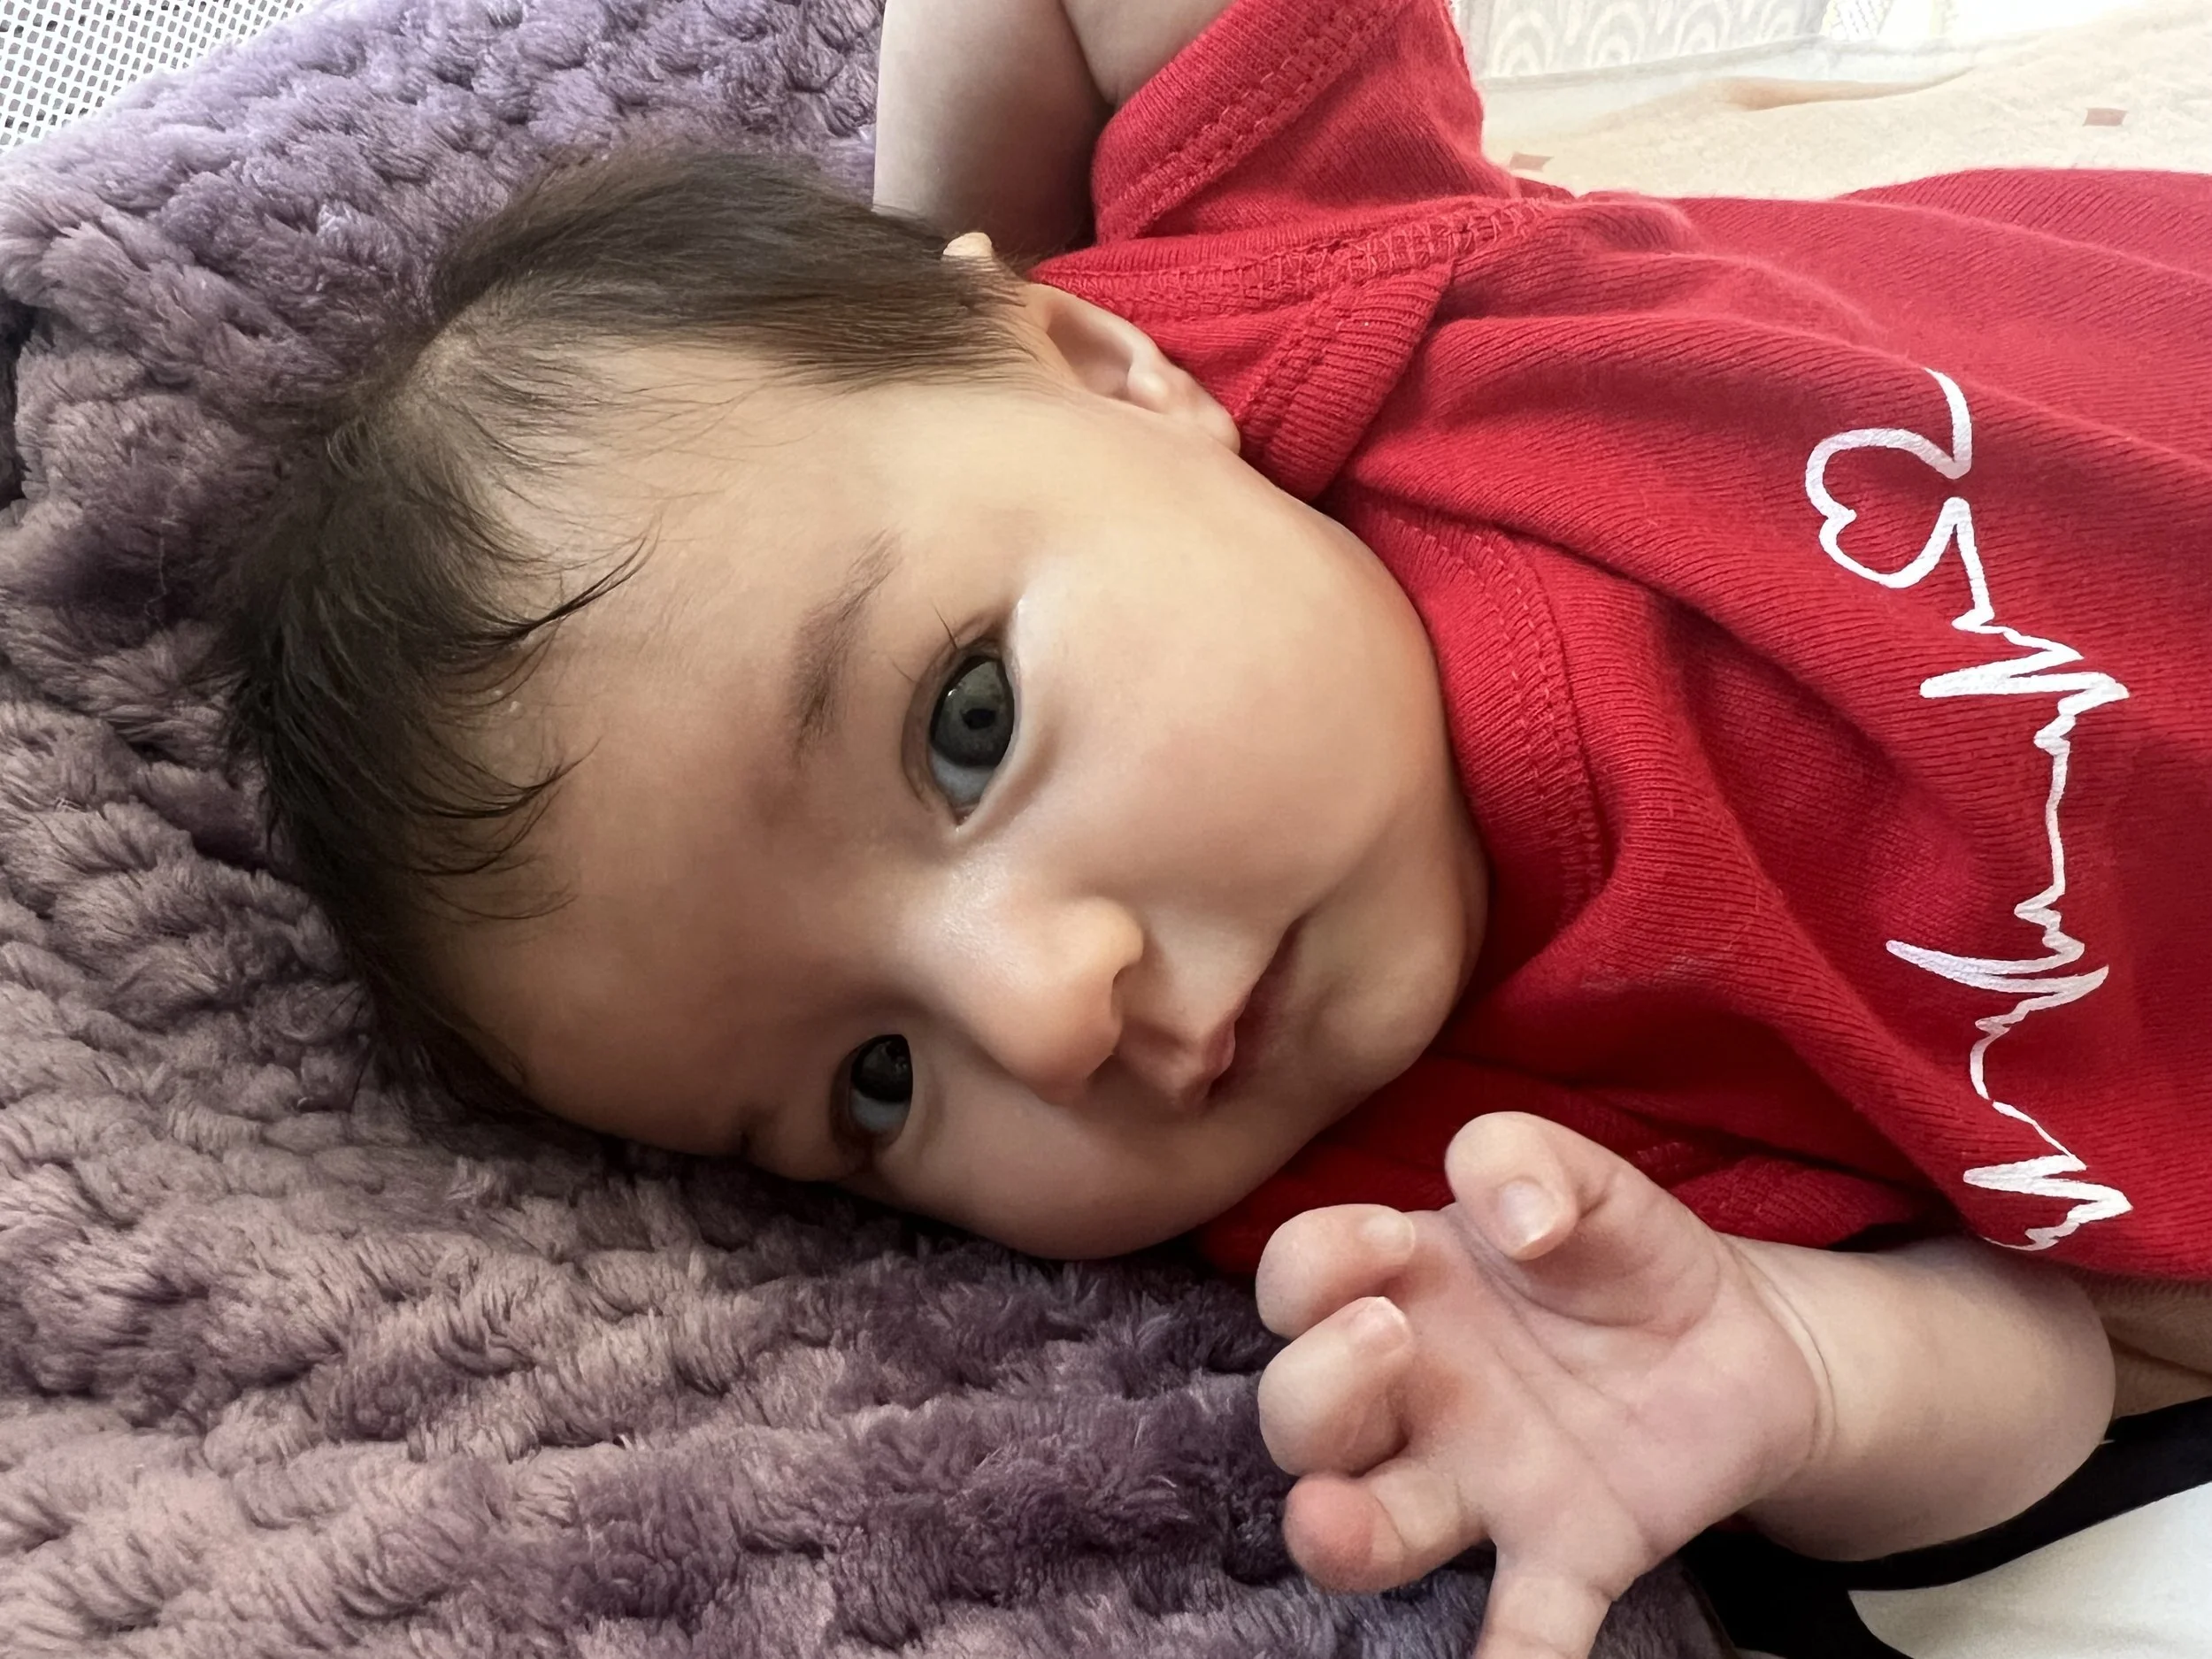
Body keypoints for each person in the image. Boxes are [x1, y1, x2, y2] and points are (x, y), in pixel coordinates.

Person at [211, 0, 2212, 1654]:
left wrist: (930, 246)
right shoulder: (1427, 1212)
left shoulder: (1288, 292)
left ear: (1104, 366)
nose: (1048, 1006)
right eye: (875, 1085)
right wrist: (1790, 1370)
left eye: (963, 722)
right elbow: (2052, 1369)